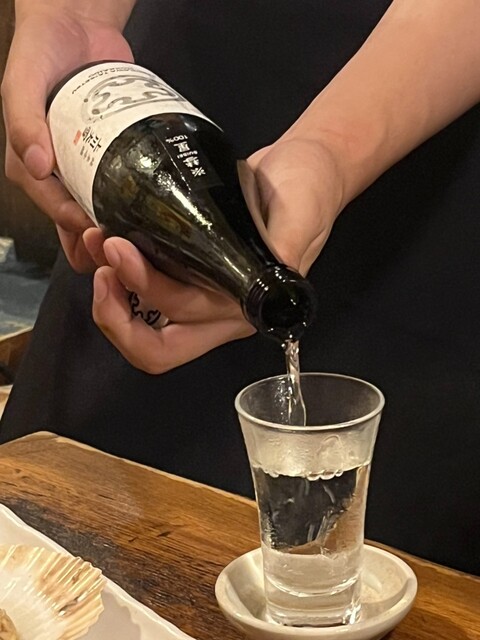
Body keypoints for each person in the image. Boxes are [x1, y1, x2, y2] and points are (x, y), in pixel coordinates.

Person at [1, 0, 480, 575]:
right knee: (49, 547)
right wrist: (71, 17)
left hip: (424, 116)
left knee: (382, 575)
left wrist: (327, 149)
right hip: (162, 117)